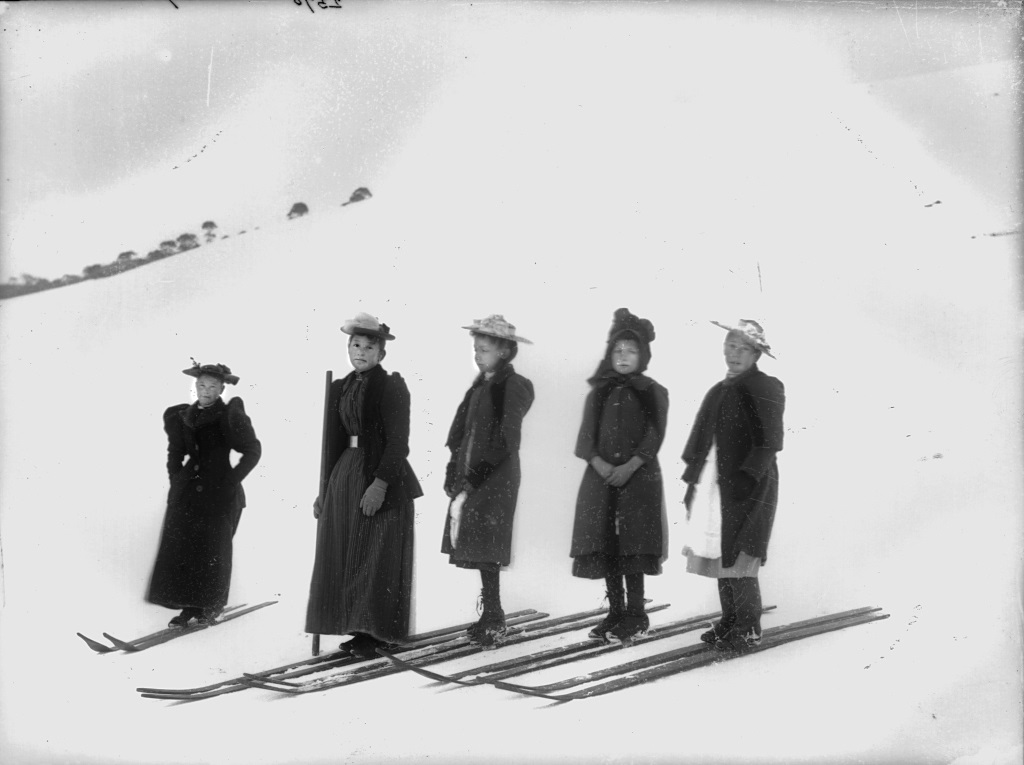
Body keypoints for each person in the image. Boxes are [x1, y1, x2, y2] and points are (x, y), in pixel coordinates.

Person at [305, 313, 422, 659]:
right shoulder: (340, 387)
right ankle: (356, 627)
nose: (361, 352)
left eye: (369, 347)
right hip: (345, 474)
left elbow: (399, 442)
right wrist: (324, 489)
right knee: (346, 550)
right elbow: (332, 442)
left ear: (381, 354)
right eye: (355, 345)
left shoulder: (391, 386)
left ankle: (378, 631)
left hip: (379, 473)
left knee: (376, 552)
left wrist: (380, 484)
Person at [681, 319, 785, 651]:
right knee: (721, 554)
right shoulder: (719, 390)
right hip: (716, 484)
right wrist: (692, 482)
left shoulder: (766, 386)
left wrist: (746, 480)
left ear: (757, 354)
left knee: (741, 554)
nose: (735, 354)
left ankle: (748, 625)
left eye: (743, 348)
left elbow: (768, 443)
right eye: (730, 346)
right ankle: (730, 620)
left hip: (749, 485)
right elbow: (701, 439)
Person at [570, 308, 669, 643]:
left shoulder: (653, 391)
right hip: (601, 481)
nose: (623, 356)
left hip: (638, 481)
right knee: (607, 545)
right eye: (618, 350)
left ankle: (637, 614)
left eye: (631, 350)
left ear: (643, 356)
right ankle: (615, 611)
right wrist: (601, 465)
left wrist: (629, 467)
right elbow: (586, 438)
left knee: (633, 547)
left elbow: (654, 436)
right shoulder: (599, 391)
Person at [441, 315, 535, 646]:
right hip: (475, 474)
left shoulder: (512, 386)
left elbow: (508, 439)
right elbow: (462, 433)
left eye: (484, 350)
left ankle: (494, 618)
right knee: (477, 543)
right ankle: (490, 613)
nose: (478, 356)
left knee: (487, 544)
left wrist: (476, 475)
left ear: (506, 352)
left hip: (496, 476)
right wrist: (455, 468)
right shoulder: (480, 386)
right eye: (475, 349)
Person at [149, 361, 262, 627]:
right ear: (195, 386)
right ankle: (189, 607)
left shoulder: (229, 415)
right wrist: (176, 479)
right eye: (201, 385)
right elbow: (175, 452)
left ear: (222, 389)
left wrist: (230, 481)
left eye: (212, 386)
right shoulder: (183, 415)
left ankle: (209, 607)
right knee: (186, 550)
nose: (206, 391)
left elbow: (252, 451)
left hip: (219, 494)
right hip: (188, 493)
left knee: (213, 550)